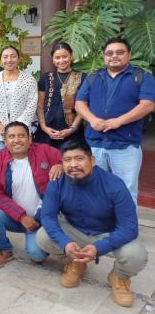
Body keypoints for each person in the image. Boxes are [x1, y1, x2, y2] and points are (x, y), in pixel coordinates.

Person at [36, 140, 148, 308]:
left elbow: (129, 227)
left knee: (136, 256)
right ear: (62, 163)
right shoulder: (57, 182)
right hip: (75, 229)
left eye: (79, 158)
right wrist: (65, 243)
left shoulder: (114, 185)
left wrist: (99, 248)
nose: (73, 165)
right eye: (67, 160)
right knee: (43, 237)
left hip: (108, 233)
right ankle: (76, 262)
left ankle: (119, 277)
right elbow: (48, 217)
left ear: (93, 160)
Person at [75, 37, 155, 204]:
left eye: (120, 52)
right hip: (95, 146)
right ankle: (100, 228)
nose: (114, 56)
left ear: (129, 55)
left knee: (125, 192)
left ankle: (125, 229)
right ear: (104, 56)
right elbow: (79, 103)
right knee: (95, 190)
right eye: (109, 53)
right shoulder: (93, 77)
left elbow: (147, 105)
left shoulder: (142, 77)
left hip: (125, 146)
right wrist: (92, 119)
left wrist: (118, 121)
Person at [0, 121, 63, 268]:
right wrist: (21, 217)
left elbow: (68, 159)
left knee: (37, 255)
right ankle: (4, 250)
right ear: (4, 140)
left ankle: (38, 237)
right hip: (15, 217)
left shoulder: (45, 151)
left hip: (42, 217)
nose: (16, 140)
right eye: (12, 136)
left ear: (30, 138)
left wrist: (61, 165)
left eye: (21, 136)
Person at [0, 46, 37, 153]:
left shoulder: (29, 80)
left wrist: (16, 128)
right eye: (5, 57)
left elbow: (31, 106)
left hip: (21, 132)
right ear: (0, 59)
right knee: (1, 164)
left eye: (13, 56)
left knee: (20, 162)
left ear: (18, 59)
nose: (9, 60)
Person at [35, 43, 85, 149]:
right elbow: (40, 105)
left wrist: (72, 129)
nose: (61, 60)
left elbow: (83, 107)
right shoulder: (46, 78)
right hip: (47, 132)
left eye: (65, 56)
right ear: (53, 59)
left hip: (72, 132)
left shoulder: (82, 78)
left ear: (71, 57)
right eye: (57, 57)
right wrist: (44, 127)